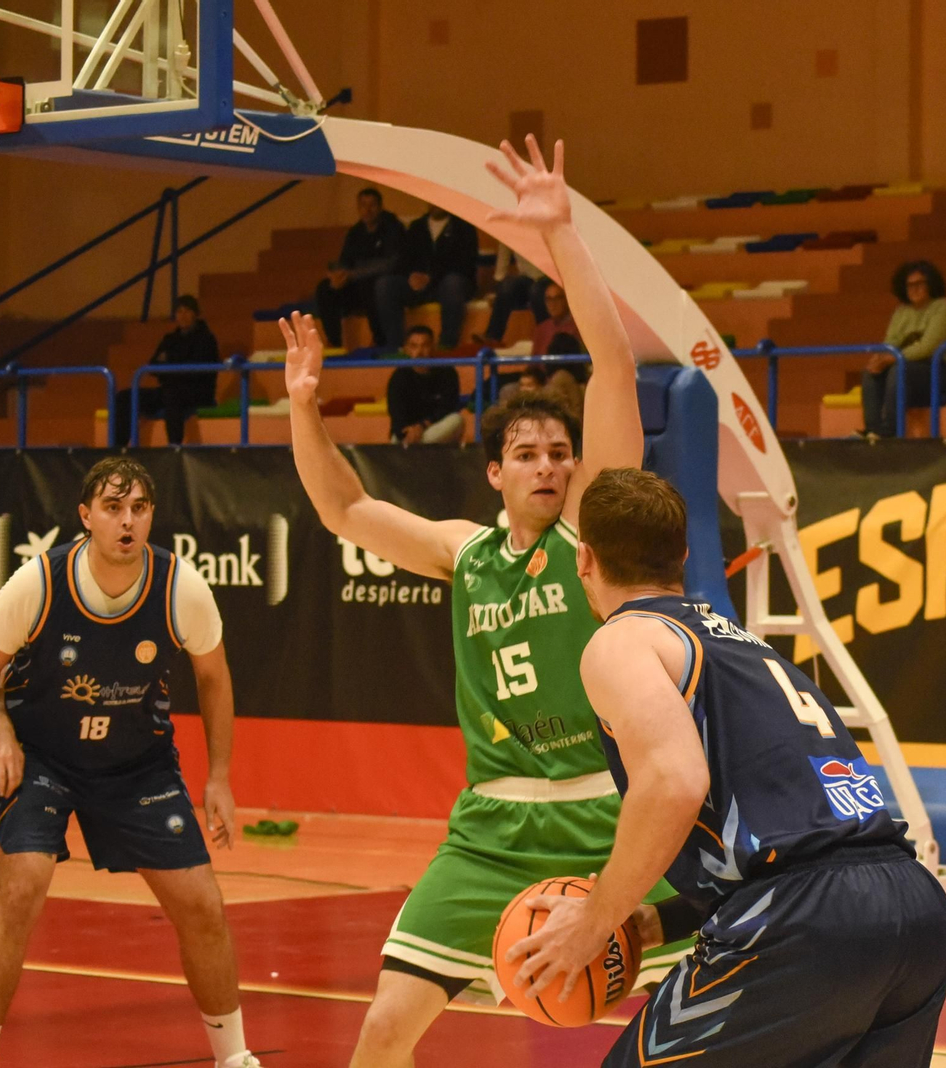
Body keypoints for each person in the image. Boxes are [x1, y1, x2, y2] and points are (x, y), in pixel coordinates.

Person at [278, 134, 687, 1068]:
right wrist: (305, 405)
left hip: (604, 818)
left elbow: (616, 369)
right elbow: (344, 507)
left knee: (692, 1036)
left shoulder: (593, 537)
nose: (550, 466)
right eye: (529, 455)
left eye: (560, 453)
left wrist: (561, 235)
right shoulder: (466, 555)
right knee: (383, 1029)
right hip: (491, 828)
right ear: (495, 472)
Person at [508, 468, 946, 1067]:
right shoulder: (741, 644)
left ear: (584, 559)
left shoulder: (623, 640)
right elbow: (795, 828)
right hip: (913, 906)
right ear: (684, 556)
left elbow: (674, 783)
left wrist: (596, 919)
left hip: (805, 918)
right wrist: (654, 922)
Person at [0, 457, 259, 1068]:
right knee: (22, 886)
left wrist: (219, 776)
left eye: (140, 508)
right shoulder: (39, 580)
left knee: (202, 903)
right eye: (114, 508)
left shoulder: (180, 585)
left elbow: (215, 679)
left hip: (136, 764)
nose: (128, 521)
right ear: (85, 516)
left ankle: (235, 1058)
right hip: (44, 758)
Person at [861, 261, 946, 439]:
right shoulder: (901, 312)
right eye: (909, 285)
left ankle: (889, 432)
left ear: (931, 284)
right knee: (870, 373)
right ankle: (873, 432)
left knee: (899, 371)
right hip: (915, 369)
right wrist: (879, 359)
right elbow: (890, 343)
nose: (914, 289)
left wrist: (893, 358)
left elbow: (928, 347)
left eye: (919, 284)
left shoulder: (942, 308)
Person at [115, 295, 222, 445]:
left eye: (187, 311)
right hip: (169, 389)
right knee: (124, 397)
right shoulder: (170, 339)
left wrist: (170, 364)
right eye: (179, 311)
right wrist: (176, 368)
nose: (183, 316)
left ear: (195, 314)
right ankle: (117, 450)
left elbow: (197, 372)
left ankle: (174, 449)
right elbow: (153, 366)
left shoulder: (207, 339)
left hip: (198, 392)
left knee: (173, 394)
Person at [375, 206, 479, 350]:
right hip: (420, 285)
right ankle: (396, 346)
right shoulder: (416, 227)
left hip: (450, 285)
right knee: (385, 285)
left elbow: (465, 264)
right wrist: (411, 276)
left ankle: (447, 346)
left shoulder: (464, 227)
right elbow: (404, 260)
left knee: (452, 283)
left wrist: (431, 277)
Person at [316, 187, 406, 349]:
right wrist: (337, 275)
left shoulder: (393, 227)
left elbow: (390, 264)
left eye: (372, 205)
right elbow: (345, 261)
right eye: (363, 205)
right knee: (325, 288)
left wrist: (353, 274)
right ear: (358, 208)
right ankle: (334, 342)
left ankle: (380, 339)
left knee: (371, 283)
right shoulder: (355, 232)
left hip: (383, 286)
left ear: (380, 206)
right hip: (357, 286)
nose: (368, 210)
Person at [386, 325, 465, 445]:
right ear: (406, 349)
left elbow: (447, 408)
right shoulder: (398, 377)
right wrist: (409, 432)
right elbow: (396, 416)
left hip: (432, 430)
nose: (419, 352)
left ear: (433, 347)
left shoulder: (447, 372)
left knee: (456, 420)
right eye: (414, 346)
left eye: (425, 345)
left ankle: (413, 448)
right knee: (396, 438)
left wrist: (421, 426)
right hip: (407, 434)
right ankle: (414, 447)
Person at [478, 243, 553, 346]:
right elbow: (503, 260)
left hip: (548, 277)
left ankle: (547, 339)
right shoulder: (508, 229)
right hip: (526, 277)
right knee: (506, 287)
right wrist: (497, 289)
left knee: (536, 292)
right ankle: (493, 338)